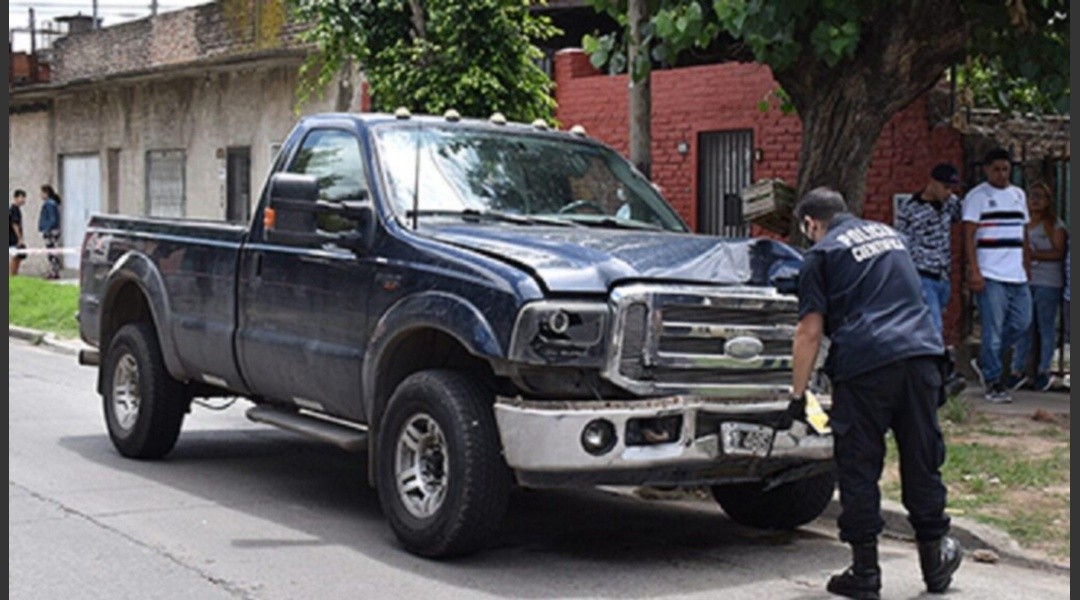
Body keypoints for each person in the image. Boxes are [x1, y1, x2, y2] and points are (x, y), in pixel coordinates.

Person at [791, 187, 961, 600]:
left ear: (812, 223)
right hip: (921, 356)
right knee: (922, 455)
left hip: (866, 363)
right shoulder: (891, 236)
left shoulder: (822, 253)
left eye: (807, 230)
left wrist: (797, 396)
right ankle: (934, 561)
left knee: (859, 464)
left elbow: (809, 331)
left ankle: (865, 571)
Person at [963, 148, 1032, 404]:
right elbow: (969, 235)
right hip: (991, 272)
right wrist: (975, 270)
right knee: (992, 330)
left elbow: (1023, 232)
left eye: (1005, 169)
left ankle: (985, 361)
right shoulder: (977, 197)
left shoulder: (1018, 195)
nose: (1002, 174)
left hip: (1016, 273)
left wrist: (1026, 264)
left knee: (1021, 322)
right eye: (996, 169)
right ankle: (993, 380)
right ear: (986, 169)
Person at [894, 163, 966, 396]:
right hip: (921, 274)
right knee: (934, 326)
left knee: (931, 326)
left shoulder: (951, 205)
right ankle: (939, 377)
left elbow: (966, 216)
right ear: (932, 182)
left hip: (943, 276)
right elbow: (900, 243)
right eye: (945, 187)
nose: (949, 192)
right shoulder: (910, 209)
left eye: (952, 188)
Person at [1004, 181, 1066, 391]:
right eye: (1032, 196)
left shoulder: (1055, 225)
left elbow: (1059, 253)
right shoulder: (1021, 223)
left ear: (1049, 200)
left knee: (1046, 326)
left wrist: (1033, 255)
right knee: (1024, 326)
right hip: (1024, 279)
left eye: (1041, 196)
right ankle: (1017, 370)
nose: (1036, 200)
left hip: (1048, 281)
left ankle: (1044, 370)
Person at [38, 184, 62, 280]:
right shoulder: (52, 203)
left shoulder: (49, 204)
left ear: (46, 193)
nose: (40, 195)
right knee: (52, 252)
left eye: (41, 193)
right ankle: (54, 271)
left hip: (51, 231)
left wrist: (46, 228)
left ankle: (54, 272)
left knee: (51, 252)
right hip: (53, 230)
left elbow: (52, 219)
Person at [9, 189, 28, 276]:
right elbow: (14, 224)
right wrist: (19, 238)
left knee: (18, 256)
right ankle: (12, 275)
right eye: (21, 197)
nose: (23, 200)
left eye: (24, 197)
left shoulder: (16, 209)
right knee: (15, 257)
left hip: (14, 237)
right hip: (12, 238)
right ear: (16, 198)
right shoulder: (14, 209)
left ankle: (14, 275)